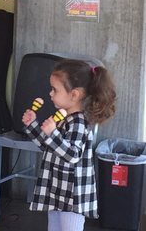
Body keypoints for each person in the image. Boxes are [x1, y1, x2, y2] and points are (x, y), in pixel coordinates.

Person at [22, 59, 116, 231]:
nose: (50, 94)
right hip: (58, 190)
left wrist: (53, 133)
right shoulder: (64, 118)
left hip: (72, 195)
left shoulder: (78, 122)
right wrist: (33, 126)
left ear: (74, 94)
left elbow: (72, 155)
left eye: (54, 89)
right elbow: (49, 148)